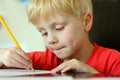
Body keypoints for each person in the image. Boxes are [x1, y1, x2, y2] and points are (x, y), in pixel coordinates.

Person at [0, 0, 120, 76]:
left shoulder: (113, 61)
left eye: (58, 28)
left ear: (86, 22)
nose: (50, 40)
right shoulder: (47, 59)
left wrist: (93, 75)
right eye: (44, 33)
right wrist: (3, 55)